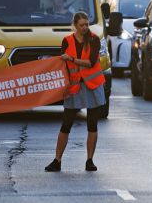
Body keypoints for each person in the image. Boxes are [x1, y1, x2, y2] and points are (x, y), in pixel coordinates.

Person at [45, 12, 106, 172]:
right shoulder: (67, 41)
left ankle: (89, 160)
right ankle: (57, 160)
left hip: (93, 85)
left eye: (87, 24)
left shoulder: (94, 39)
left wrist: (71, 59)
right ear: (75, 25)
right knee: (66, 124)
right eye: (82, 25)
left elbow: (91, 62)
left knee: (92, 124)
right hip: (74, 87)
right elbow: (62, 65)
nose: (85, 27)